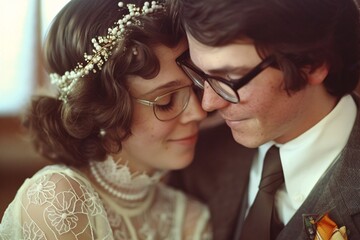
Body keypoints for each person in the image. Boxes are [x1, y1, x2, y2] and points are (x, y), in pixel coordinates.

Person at [0, 0, 212, 239]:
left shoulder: (189, 218)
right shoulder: (59, 201)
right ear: (102, 108)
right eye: (166, 101)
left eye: (196, 89)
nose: (198, 112)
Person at [168, 0, 360, 239]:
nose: (208, 103)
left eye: (230, 77)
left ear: (312, 64)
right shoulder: (196, 162)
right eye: (200, 73)